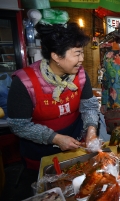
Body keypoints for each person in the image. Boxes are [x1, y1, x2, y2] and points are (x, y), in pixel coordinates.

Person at [7, 22, 100, 170]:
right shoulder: (24, 82)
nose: (82, 59)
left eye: (82, 53)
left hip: (76, 148)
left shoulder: (81, 75)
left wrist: (91, 130)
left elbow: (89, 106)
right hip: (40, 155)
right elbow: (19, 125)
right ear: (56, 56)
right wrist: (55, 138)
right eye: (77, 53)